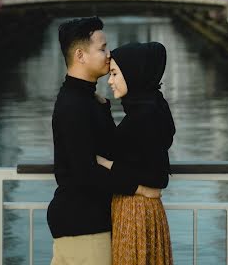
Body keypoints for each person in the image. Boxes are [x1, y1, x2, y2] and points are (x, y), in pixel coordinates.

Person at [48, 17, 161, 265]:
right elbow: (84, 173)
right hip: (82, 222)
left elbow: (109, 150)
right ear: (80, 55)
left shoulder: (85, 99)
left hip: (85, 220)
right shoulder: (74, 106)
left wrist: (103, 107)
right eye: (102, 48)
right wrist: (139, 187)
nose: (109, 55)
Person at [97, 41, 175, 264]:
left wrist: (105, 163)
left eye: (114, 74)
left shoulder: (143, 116)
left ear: (133, 74)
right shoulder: (153, 107)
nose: (110, 81)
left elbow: (155, 176)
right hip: (145, 210)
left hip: (135, 212)